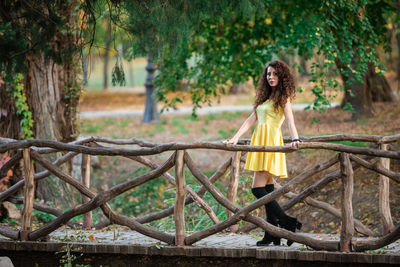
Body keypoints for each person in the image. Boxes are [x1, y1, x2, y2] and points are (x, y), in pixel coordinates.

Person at [223, 61, 302, 246]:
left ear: (281, 76)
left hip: (270, 143)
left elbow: (290, 121)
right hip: (259, 142)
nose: (271, 77)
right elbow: (251, 119)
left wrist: (295, 139)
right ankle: (271, 233)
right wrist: (234, 138)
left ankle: (287, 222)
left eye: (274, 74)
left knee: (257, 189)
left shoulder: (283, 97)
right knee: (267, 191)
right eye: (268, 74)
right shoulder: (266, 97)